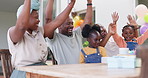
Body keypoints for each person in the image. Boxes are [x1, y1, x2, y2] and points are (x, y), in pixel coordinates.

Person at [7, 0, 76, 77]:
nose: (39, 20)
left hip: (41, 71)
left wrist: (71, 4)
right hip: (24, 73)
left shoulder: (39, 31)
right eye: (36, 18)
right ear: (26, 18)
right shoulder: (14, 32)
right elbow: (22, 25)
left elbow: (57, 21)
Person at [46, 0, 92, 64]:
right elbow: (48, 21)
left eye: (72, 23)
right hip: (65, 73)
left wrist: (89, 3)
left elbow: (87, 23)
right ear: (59, 26)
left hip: (81, 72)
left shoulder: (76, 34)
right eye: (68, 24)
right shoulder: (54, 39)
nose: (71, 26)